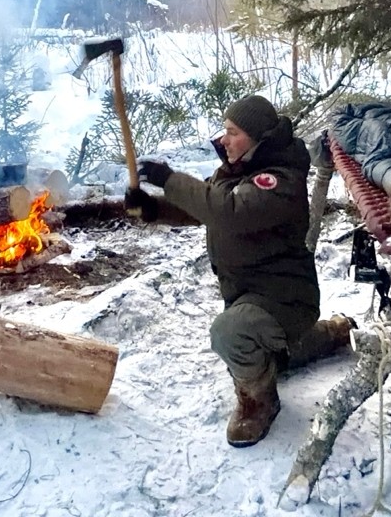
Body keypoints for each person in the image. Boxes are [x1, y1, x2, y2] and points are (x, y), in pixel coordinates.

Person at [125, 95, 353, 447]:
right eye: (224, 131)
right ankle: (329, 335)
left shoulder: (279, 180)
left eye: (233, 132)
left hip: (285, 299)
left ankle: (259, 402)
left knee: (230, 333)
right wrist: (154, 208)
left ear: (258, 138)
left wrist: (169, 179)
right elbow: (206, 206)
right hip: (252, 295)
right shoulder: (237, 169)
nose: (224, 140)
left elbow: (229, 211)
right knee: (265, 345)